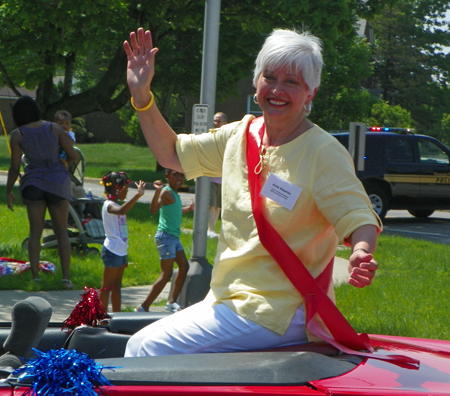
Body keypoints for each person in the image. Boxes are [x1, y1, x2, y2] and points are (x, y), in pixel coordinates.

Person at [123, 27, 381, 357]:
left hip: (281, 309)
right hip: (229, 299)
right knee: (138, 344)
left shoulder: (322, 151)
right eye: (269, 77)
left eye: (292, 82)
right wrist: (142, 95)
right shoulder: (239, 134)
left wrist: (360, 251)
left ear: (311, 93)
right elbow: (171, 153)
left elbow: (356, 214)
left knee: (146, 350)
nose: (277, 89)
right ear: (256, 80)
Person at [6, 96, 77, 289]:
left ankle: (36, 276)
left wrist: (8, 190)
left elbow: (14, 167)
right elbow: (73, 155)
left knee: (35, 231)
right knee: (61, 231)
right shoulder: (55, 128)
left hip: (34, 182)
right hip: (57, 182)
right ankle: (66, 279)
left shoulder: (17, 134)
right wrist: (62, 162)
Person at [134, 168, 194, 313]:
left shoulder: (174, 194)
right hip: (166, 237)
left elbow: (176, 211)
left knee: (184, 267)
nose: (179, 178)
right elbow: (153, 210)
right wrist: (157, 191)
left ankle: (171, 302)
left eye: (181, 175)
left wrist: (189, 208)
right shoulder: (166, 192)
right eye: (175, 175)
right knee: (166, 274)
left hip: (173, 237)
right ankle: (144, 306)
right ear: (167, 176)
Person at [99, 171, 146, 312]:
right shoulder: (109, 205)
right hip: (112, 251)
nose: (127, 192)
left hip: (120, 251)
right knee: (106, 287)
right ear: (117, 189)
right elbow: (121, 210)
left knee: (117, 286)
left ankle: (117, 317)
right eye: (126, 189)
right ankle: (100, 318)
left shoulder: (115, 204)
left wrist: (124, 252)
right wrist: (138, 195)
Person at [207, 112, 228, 238]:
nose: (215, 123)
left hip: (224, 177)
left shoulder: (227, 137)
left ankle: (212, 231)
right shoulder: (210, 136)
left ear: (225, 123)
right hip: (211, 176)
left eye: (218, 121)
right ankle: (211, 229)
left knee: (218, 206)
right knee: (211, 204)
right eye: (214, 120)